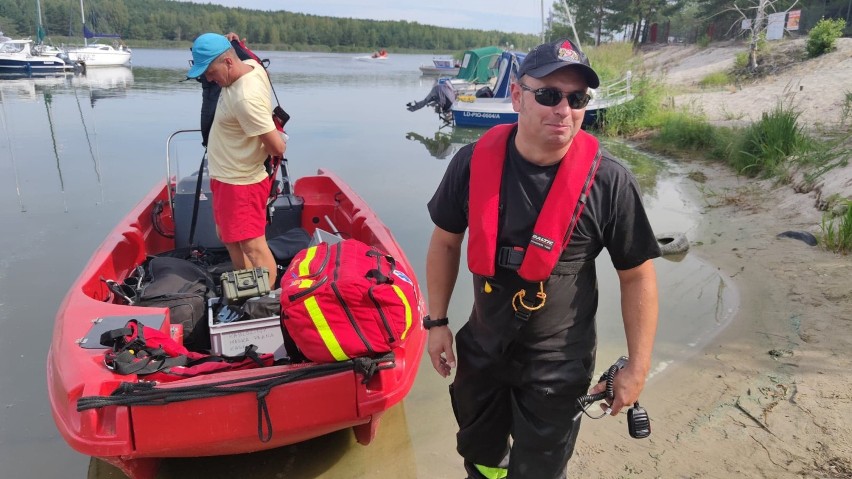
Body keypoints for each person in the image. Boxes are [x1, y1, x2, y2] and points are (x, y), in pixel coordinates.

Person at [424, 38, 660, 479]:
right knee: (481, 459)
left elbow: (637, 277)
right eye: (549, 95)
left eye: (576, 99)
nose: (563, 109)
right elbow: (445, 242)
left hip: (558, 362)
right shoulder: (471, 164)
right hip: (483, 351)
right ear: (517, 97)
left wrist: (636, 366)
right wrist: (436, 324)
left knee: (540, 472)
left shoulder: (610, 183)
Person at [187, 32, 285, 287]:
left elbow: (276, 148)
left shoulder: (245, 98)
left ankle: (264, 301)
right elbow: (245, 55)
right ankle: (247, 288)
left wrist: (276, 137)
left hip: (241, 181)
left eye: (210, 72)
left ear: (228, 63)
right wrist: (236, 42)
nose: (208, 79)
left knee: (253, 246)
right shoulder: (250, 66)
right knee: (229, 237)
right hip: (226, 177)